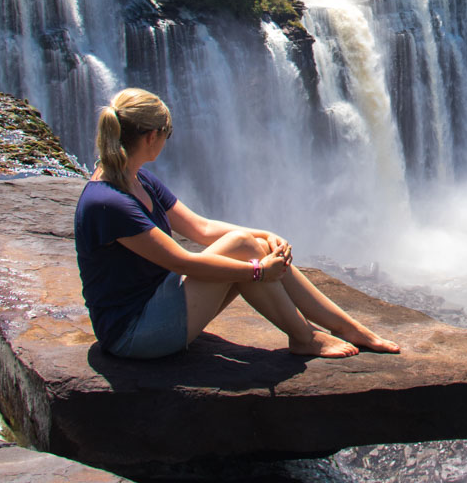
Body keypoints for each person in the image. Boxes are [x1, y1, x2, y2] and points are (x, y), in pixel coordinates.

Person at [74, 88, 400, 360]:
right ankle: (305, 338)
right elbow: (182, 260)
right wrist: (258, 271)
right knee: (244, 248)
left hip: (158, 302)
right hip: (133, 333)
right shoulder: (109, 203)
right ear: (151, 136)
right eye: (167, 134)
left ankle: (344, 326)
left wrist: (266, 235)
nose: (167, 141)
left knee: (251, 244)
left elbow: (200, 228)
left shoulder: (137, 178)